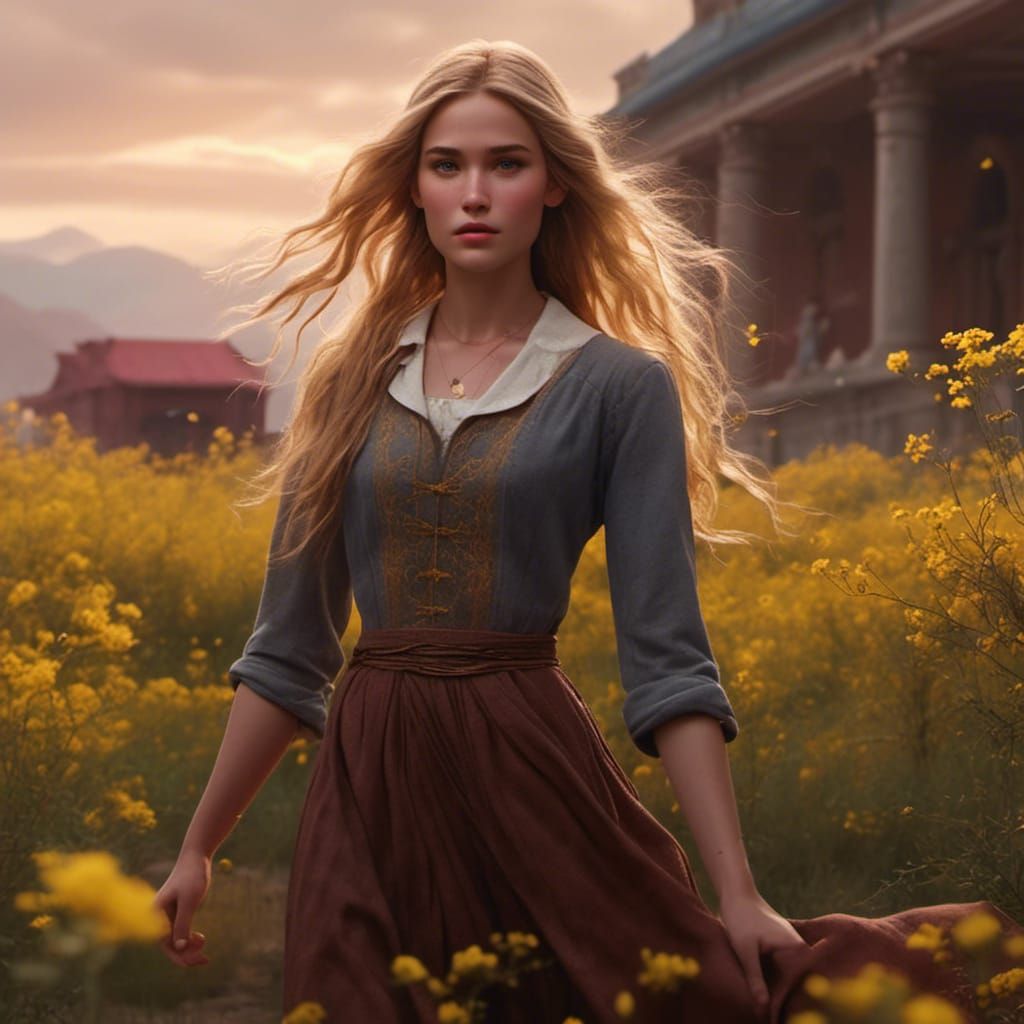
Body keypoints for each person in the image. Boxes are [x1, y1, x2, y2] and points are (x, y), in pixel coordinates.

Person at [153, 39, 1023, 1024]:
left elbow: (667, 661)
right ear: (414, 189)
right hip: (368, 786)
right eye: (447, 166)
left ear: (555, 185)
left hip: (531, 772)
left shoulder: (620, 385)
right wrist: (197, 845)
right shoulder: (348, 378)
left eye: (506, 164)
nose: (474, 192)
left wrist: (736, 891)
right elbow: (288, 647)